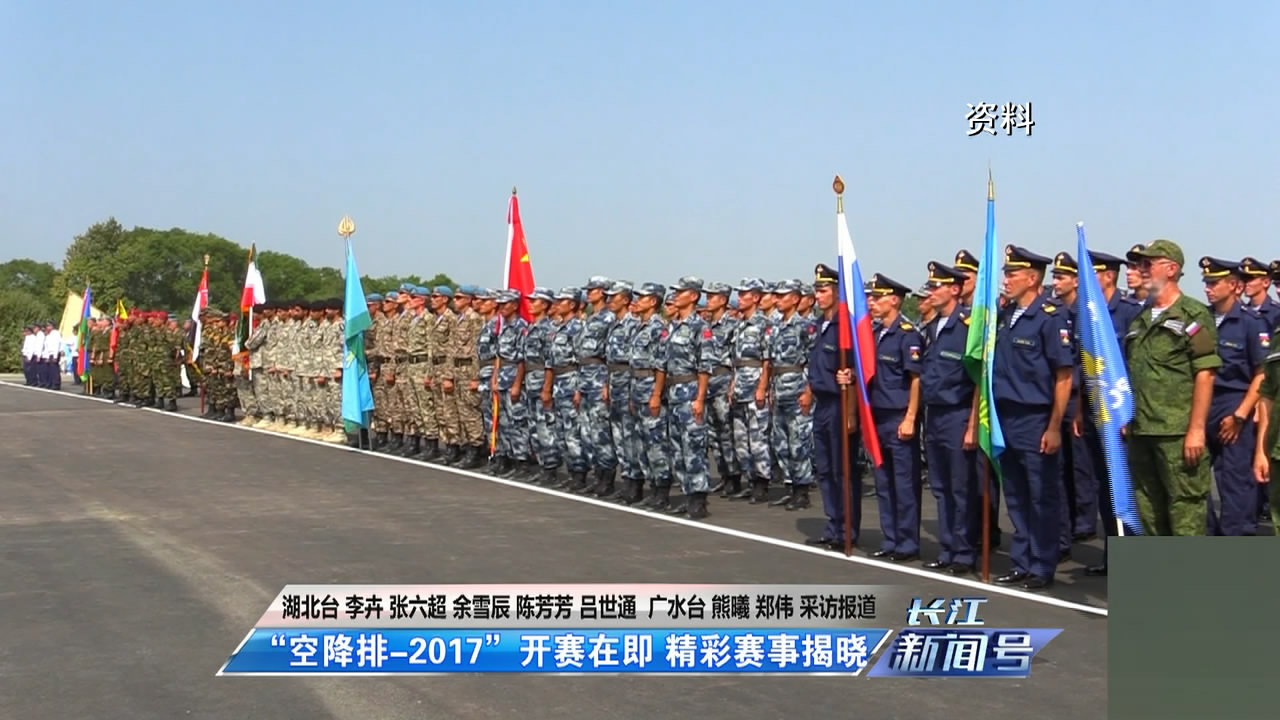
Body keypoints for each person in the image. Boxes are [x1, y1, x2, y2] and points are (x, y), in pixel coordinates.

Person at [989, 246, 1073, 590]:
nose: (1006, 280)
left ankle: (1042, 564)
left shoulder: (1050, 317)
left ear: (1032, 278)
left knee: (1041, 495)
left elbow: (1063, 376)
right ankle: (1021, 561)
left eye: (1012, 274)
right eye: (1006, 274)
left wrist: (1054, 426)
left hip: (1036, 417)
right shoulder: (1006, 315)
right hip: (1006, 416)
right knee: (1016, 495)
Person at [1125, 239, 1221, 535]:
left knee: (1185, 514)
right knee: (1148, 513)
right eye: (1139, 264)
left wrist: (1196, 429)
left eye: (1148, 264)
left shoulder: (1193, 315)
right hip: (1142, 431)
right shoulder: (1139, 320)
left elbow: (1205, 373)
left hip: (1177, 433)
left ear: (1171, 269)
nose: (1141, 269)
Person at [1071, 250, 1143, 577]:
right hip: (1093, 411)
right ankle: (1113, 555)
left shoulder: (1129, 312)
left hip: (1120, 413)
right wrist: (1077, 410)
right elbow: (1081, 365)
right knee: (1104, 486)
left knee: (1127, 486)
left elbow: (1136, 368)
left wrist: (1131, 413)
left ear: (1108, 276)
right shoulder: (1086, 313)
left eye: (1091, 275)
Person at [1198, 257, 1267, 535]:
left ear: (1234, 286)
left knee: (1235, 481)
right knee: (1192, 479)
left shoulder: (1251, 322)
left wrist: (1240, 415)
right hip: (1202, 403)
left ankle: (1235, 542)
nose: (1208, 288)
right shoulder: (1199, 320)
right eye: (1206, 283)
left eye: (1214, 283)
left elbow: (1261, 375)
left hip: (1234, 402)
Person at [865, 273, 924, 562]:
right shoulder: (874, 334)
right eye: (871, 297)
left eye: (878, 298)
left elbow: (916, 379)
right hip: (877, 416)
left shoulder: (907, 334)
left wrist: (910, 417)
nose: (872, 302)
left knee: (904, 483)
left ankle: (907, 543)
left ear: (895, 300)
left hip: (898, 416)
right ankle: (890, 539)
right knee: (883, 483)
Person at [808, 264, 862, 549]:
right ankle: (833, 524)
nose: (818, 296)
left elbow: (855, 371)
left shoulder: (846, 326)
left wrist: (851, 412)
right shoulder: (820, 324)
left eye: (823, 290)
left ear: (837, 292)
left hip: (841, 404)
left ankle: (847, 530)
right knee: (826, 469)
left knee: (844, 470)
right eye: (816, 291)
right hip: (823, 404)